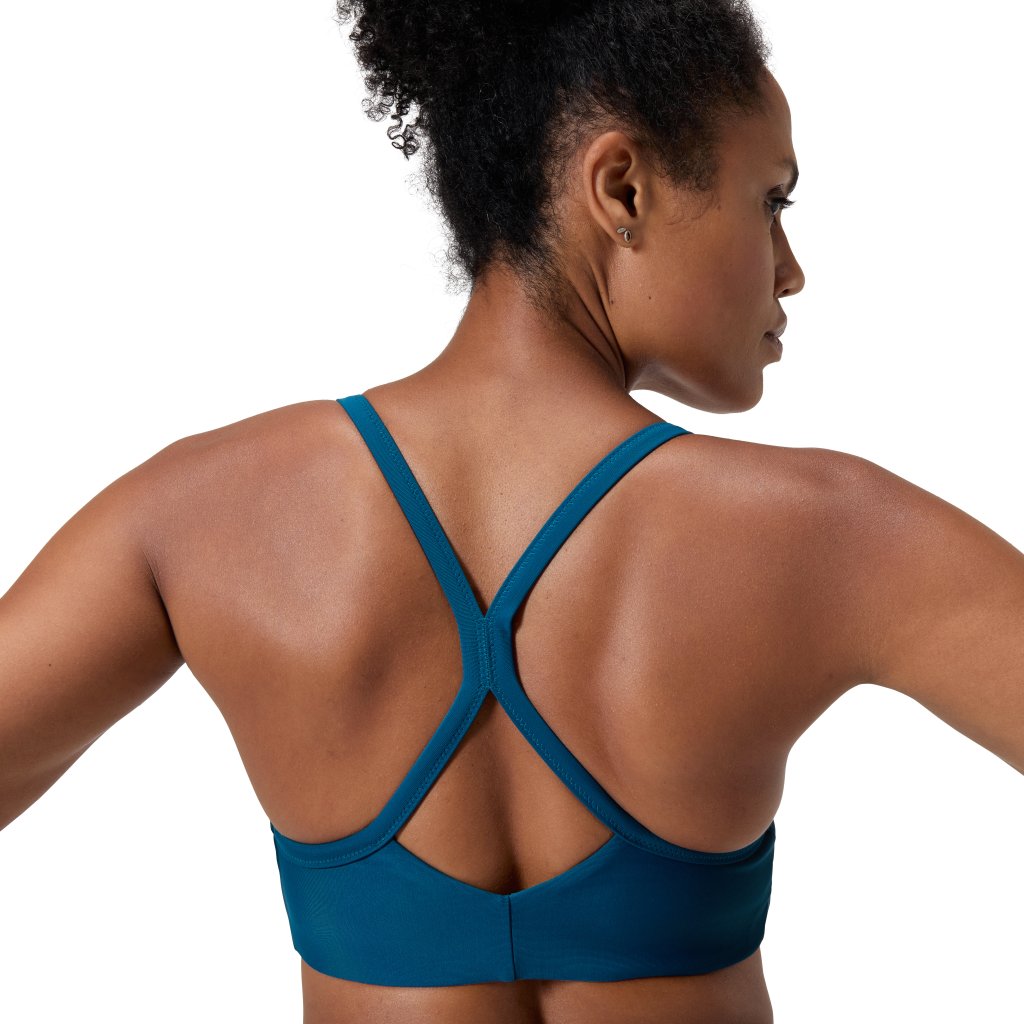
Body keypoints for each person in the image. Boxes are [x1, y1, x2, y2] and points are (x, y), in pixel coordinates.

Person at [2, 1, 1022, 1022]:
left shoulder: (196, 519)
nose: (790, 267)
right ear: (621, 188)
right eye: (770, 201)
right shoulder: (835, 535)